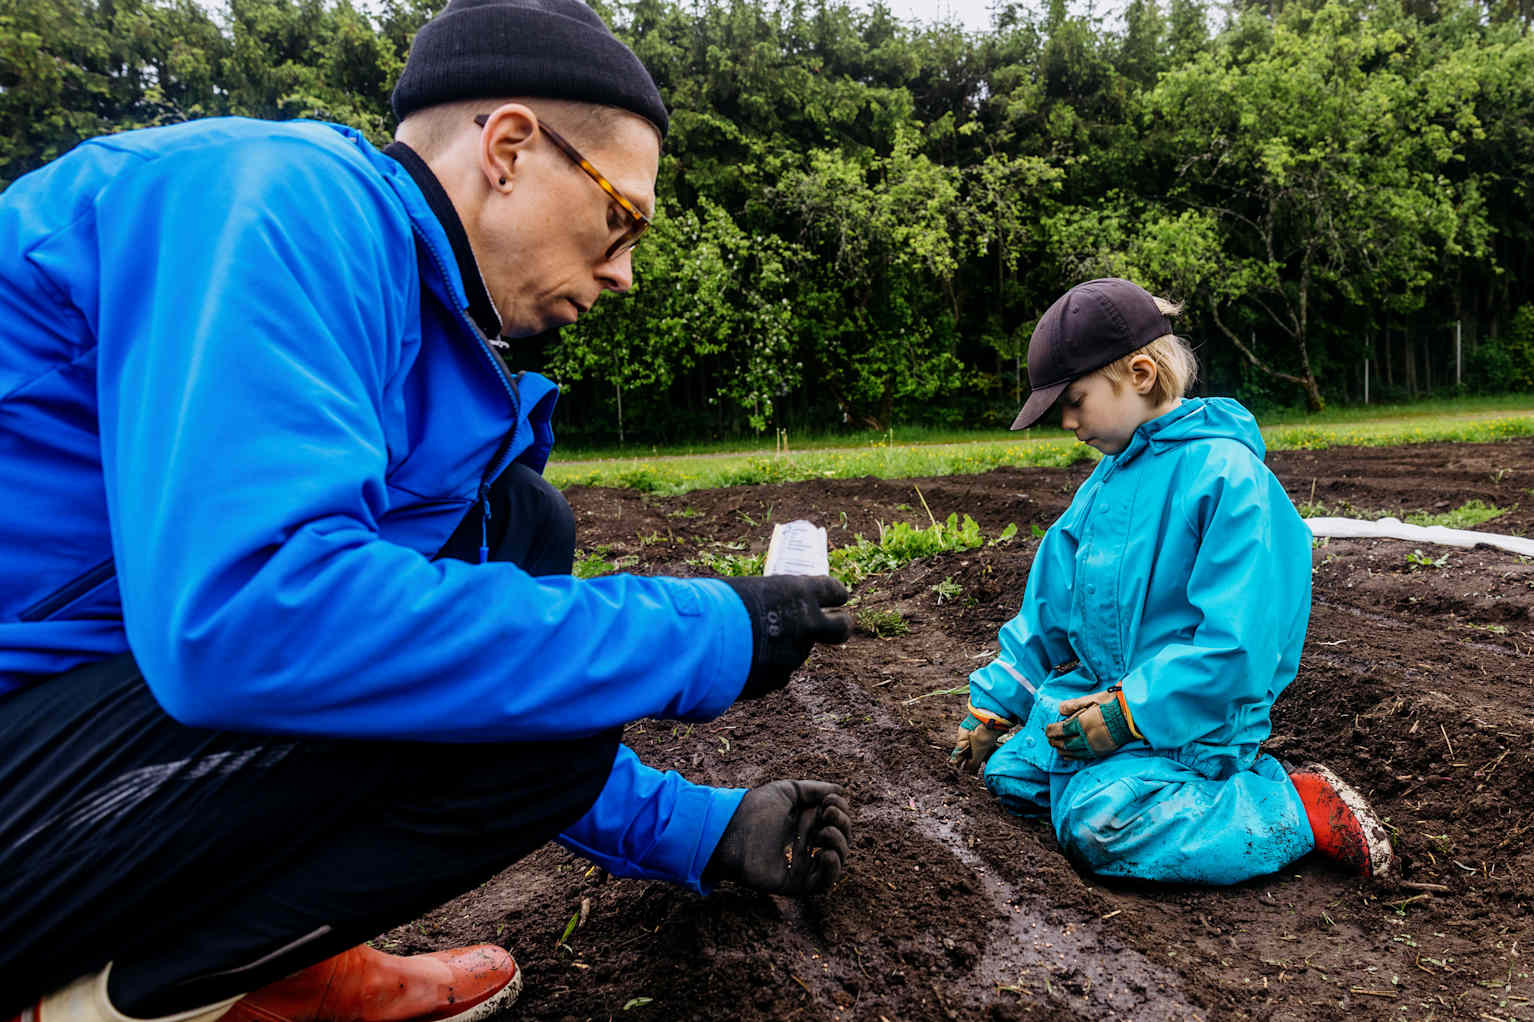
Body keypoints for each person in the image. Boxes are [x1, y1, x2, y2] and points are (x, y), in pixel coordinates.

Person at [0, 1, 856, 1019]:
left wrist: (695, 828)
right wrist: (706, 624)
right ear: (508, 148)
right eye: (622, 217)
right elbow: (248, 619)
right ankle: (119, 999)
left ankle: (255, 964)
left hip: (63, 750)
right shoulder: (273, 201)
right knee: (530, 696)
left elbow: (450, 683)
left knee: (527, 532)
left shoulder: (431, 359)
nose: (625, 270)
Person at [949, 277, 1393, 886]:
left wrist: (1132, 715)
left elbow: (1237, 649)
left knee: (1098, 824)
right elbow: (1046, 615)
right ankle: (1120, 785)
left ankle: (1296, 808)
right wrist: (996, 706)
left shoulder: (1228, 479)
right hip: (1106, 707)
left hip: (1193, 725)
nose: (1068, 423)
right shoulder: (1100, 490)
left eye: (1075, 401)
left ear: (1139, 374)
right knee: (1011, 774)